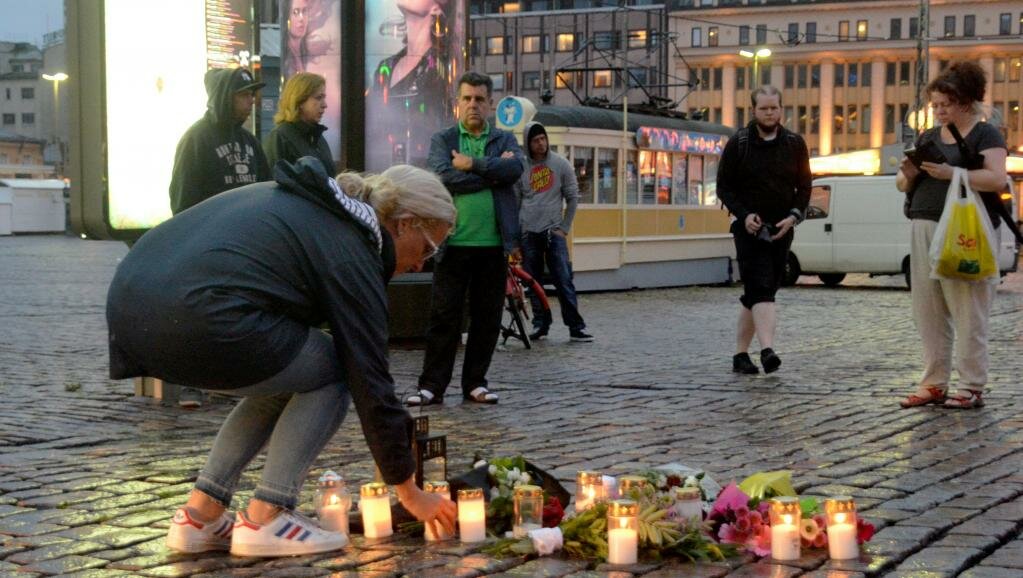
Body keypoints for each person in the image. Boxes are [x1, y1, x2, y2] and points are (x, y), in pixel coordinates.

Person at [108, 159, 458, 556]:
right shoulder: (352, 246)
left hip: (132, 308)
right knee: (336, 367)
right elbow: (368, 373)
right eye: (429, 249)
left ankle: (199, 515)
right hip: (198, 315)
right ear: (405, 222)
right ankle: (267, 516)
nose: (421, 264)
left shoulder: (320, 210)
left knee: (295, 367)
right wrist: (408, 490)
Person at [406, 72, 524, 407]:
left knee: (487, 320)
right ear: (458, 103)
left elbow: (515, 171)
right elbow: (443, 177)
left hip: (493, 245)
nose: (473, 105)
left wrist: (472, 163)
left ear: (490, 104)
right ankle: (432, 386)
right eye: (467, 98)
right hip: (452, 245)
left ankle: (475, 383)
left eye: (480, 99)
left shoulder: (504, 140)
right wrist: (491, 174)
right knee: (444, 317)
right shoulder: (444, 139)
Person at [896, 62, 1008, 410]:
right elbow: (902, 184)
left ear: (966, 101)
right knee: (927, 310)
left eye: (946, 103)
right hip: (923, 224)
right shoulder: (929, 136)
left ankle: (972, 385)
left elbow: (996, 179)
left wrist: (952, 173)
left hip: (964, 228)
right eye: (935, 105)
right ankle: (934, 383)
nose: (939, 110)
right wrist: (909, 174)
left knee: (967, 309)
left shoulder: (985, 134)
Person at [168, 67, 271, 408]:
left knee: (237, 317)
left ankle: (228, 381)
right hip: (206, 244)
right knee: (199, 318)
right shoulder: (196, 138)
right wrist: (192, 239)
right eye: (244, 95)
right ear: (225, 97)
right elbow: (181, 195)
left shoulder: (250, 142)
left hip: (245, 248)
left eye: (252, 94)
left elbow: (266, 191)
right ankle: (191, 383)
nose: (251, 102)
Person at [717, 85, 811, 375]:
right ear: (754, 110)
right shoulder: (739, 143)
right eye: (763, 108)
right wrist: (744, 215)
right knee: (760, 287)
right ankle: (768, 350)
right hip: (749, 230)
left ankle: (740, 355)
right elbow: (724, 188)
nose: (770, 113)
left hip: (782, 228)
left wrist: (794, 216)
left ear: (781, 109)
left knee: (761, 290)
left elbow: (805, 187)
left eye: (774, 108)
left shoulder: (795, 144)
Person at [515, 121, 593, 343]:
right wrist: (517, 234)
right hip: (529, 232)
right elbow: (516, 199)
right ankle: (541, 324)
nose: (541, 144)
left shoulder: (561, 164)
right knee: (533, 283)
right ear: (528, 144)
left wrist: (564, 228)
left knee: (563, 280)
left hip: (553, 232)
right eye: (535, 140)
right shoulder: (521, 168)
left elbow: (573, 197)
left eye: (543, 139)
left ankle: (576, 327)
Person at [368, 0, 454, 168]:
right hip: (382, 168)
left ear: (436, 8)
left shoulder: (440, 67)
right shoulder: (385, 67)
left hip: (422, 168)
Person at [263, 72, 335, 175]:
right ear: (299, 100)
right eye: (319, 98)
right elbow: (273, 184)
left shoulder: (317, 138)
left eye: (324, 98)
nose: (325, 105)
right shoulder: (280, 138)